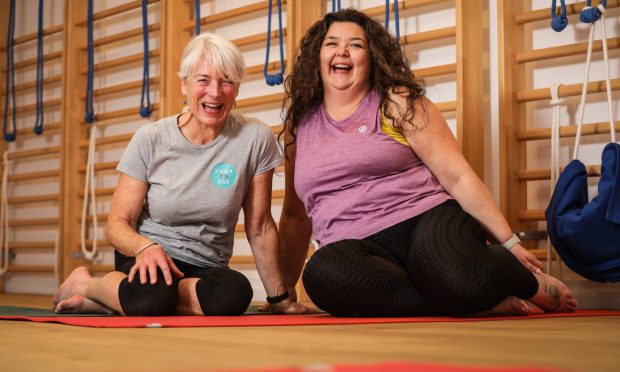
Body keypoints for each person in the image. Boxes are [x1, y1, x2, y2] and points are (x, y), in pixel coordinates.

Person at [277, 9, 578, 317]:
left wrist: (511, 242)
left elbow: (457, 176)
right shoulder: (299, 126)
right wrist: (284, 289)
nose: (342, 51)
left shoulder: (397, 101)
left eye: (355, 44)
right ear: (317, 55)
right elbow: (295, 214)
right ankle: (469, 300)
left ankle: (522, 281)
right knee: (321, 274)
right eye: (332, 43)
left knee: (457, 279)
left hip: (426, 221)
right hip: (355, 248)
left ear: (372, 57)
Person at [53, 33, 312, 316]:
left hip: (205, 267)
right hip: (149, 257)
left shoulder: (255, 138)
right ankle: (87, 285)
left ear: (236, 89)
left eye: (226, 81)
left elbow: (260, 226)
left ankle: (120, 299)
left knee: (235, 294)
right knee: (152, 297)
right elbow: (117, 224)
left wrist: (279, 299)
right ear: (184, 85)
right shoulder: (150, 139)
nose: (214, 92)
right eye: (203, 80)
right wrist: (145, 247)